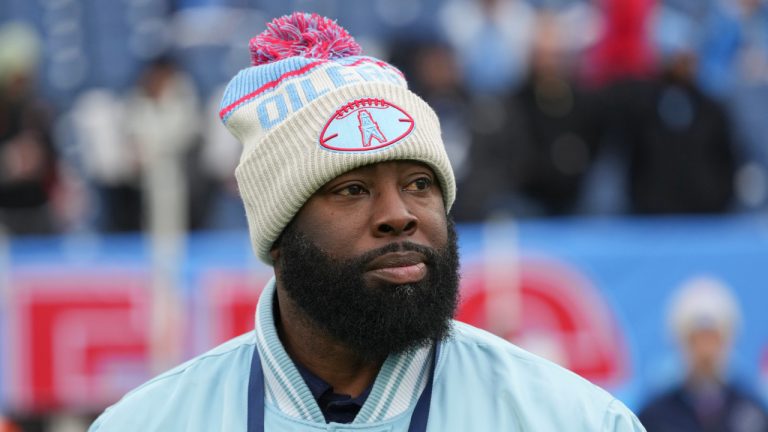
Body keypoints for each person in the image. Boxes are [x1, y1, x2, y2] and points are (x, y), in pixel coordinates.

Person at [90, 12, 645, 431]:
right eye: (352, 190)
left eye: (419, 184)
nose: (399, 216)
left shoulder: (575, 420)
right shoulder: (148, 422)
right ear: (279, 234)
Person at [639, 276, 768, 432]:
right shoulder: (655, 416)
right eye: (697, 339)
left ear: (728, 340)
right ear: (681, 342)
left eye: (713, 339)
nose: (705, 351)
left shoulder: (751, 412)